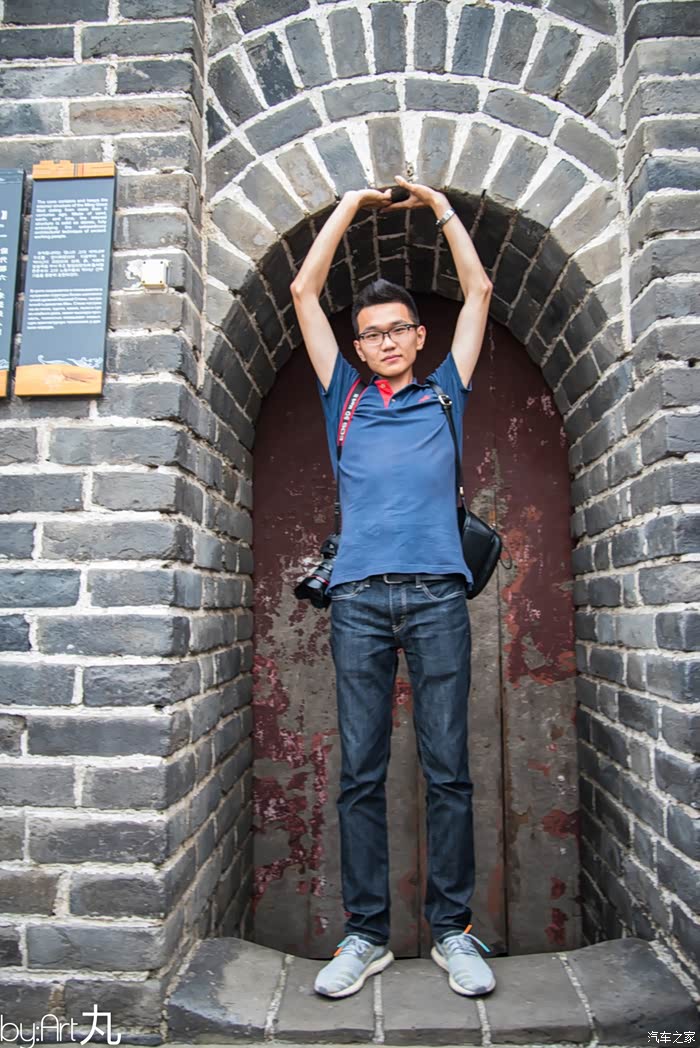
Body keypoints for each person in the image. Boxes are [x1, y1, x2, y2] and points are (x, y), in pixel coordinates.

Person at [290, 175, 495, 999]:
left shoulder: (445, 393)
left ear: (418, 337)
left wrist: (439, 208)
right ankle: (366, 935)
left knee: (448, 770)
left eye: (397, 330)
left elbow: (479, 290)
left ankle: (453, 932)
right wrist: (350, 206)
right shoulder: (343, 396)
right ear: (360, 344)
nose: (384, 342)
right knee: (361, 773)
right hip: (359, 602)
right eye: (370, 333)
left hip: (439, 596)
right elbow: (304, 291)